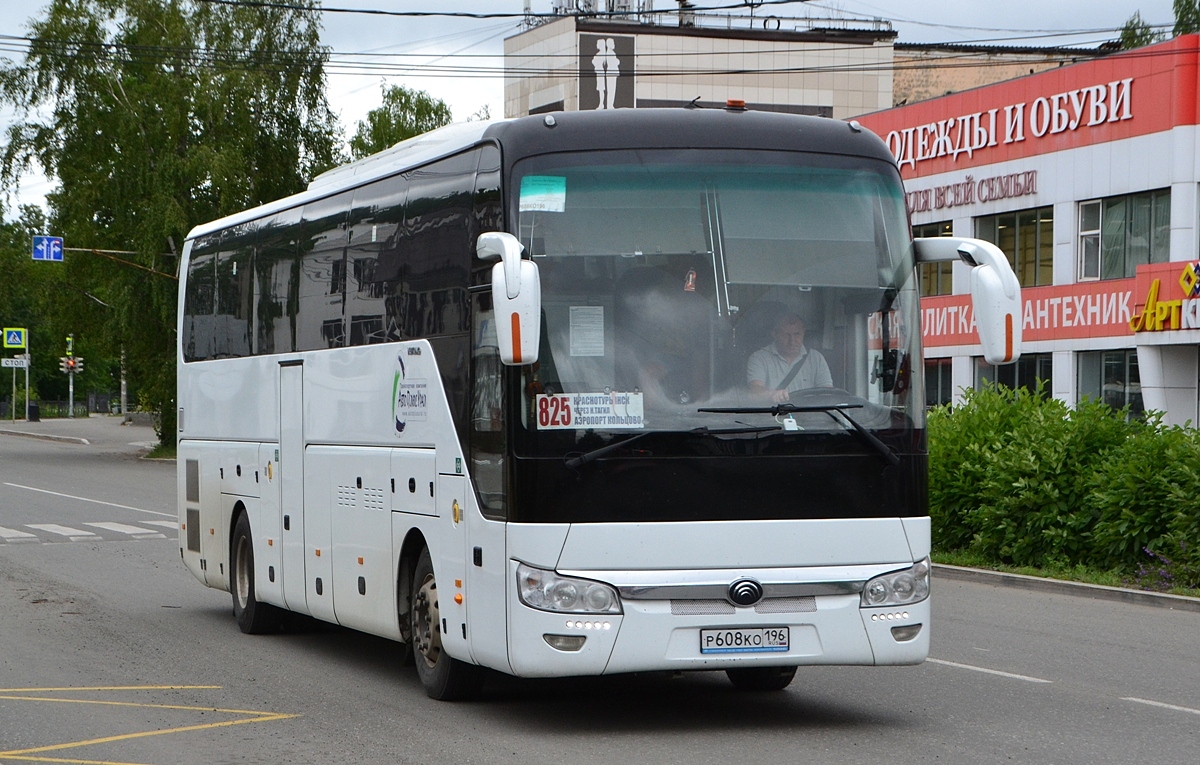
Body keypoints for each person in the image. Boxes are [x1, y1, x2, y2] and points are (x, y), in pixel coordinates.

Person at [747, 313, 832, 403]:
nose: (792, 341)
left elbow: (827, 392)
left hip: (809, 414)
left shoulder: (816, 358)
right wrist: (772, 394)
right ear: (775, 334)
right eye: (786, 335)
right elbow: (755, 390)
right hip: (773, 414)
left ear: (804, 333)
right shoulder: (759, 358)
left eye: (797, 334)